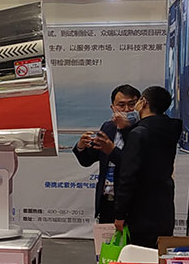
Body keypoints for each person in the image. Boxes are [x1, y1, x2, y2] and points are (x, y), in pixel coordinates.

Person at [114, 85, 183, 250]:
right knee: (159, 257)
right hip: (164, 207)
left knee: (139, 257)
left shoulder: (139, 133)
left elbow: (128, 176)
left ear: (144, 102)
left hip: (141, 211)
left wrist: (120, 214)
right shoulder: (169, 128)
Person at [72, 84, 141, 225]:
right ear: (113, 107)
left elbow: (133, 164)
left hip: (133, 203)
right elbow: (88, 160)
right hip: (107, 200)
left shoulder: (142, 129)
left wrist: (125, 129)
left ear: (140, 105)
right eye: (121, 105)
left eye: (131, 104)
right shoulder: (108, 127)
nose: (126, 109)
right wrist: (81, 146)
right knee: (105, 238)